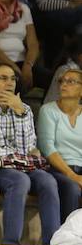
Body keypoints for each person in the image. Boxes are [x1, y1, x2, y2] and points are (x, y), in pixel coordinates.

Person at [0, 62, 62, 245]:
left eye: (13, 78)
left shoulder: (24, 109)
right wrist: (22, 158)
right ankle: (11, 242)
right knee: (20, 180)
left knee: (48, 181)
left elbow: (28, 147)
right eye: (3, 78)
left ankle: (53, 244)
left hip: (22, 166)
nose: (10, 83)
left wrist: (19, 113)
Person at [37, 68, 82, 221]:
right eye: (62, 81)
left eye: (71, 81)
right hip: (57, 169)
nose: (64, 84)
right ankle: (66, 238)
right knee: (72, 187)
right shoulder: (48, 110)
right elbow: (47, 147)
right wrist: (73, 175)